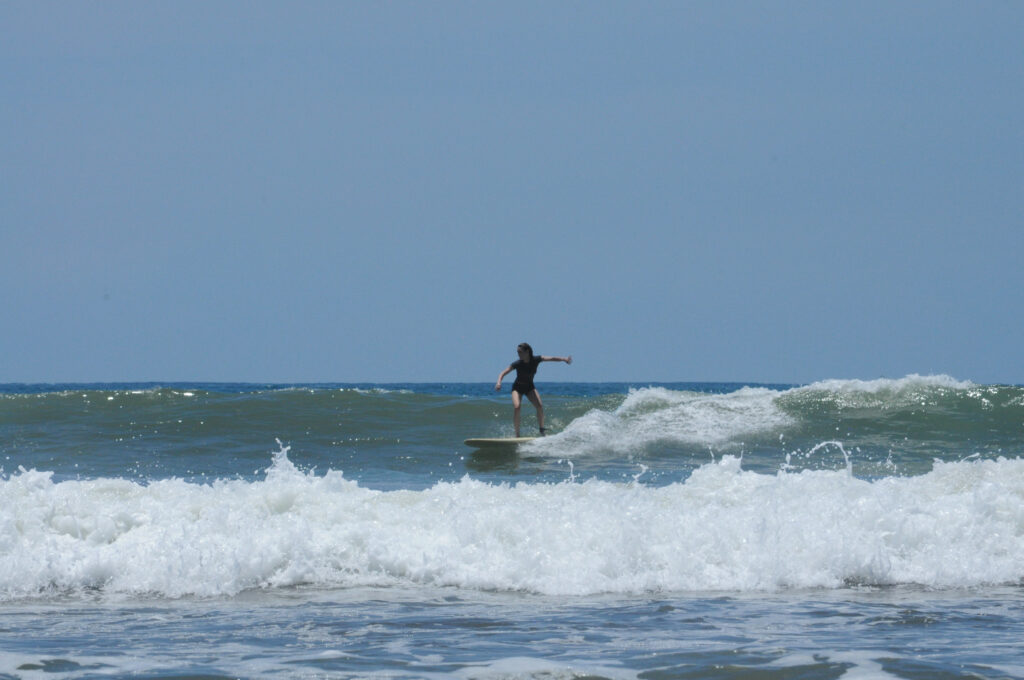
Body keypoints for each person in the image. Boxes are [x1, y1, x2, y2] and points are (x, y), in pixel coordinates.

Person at [494, 343, 572, 437]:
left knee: (539, 406)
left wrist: (564, 359)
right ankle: (517, 434)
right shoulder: (517, 363)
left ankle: (542, 430)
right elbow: (503, 373)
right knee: (517, 407)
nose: (518, 354)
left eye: (520, 352)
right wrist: (499, 383)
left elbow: (551, 358)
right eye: (517, 352)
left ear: (527, 352)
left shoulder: (536, 360)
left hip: (529, 387)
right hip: (517, 388)